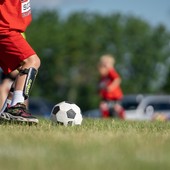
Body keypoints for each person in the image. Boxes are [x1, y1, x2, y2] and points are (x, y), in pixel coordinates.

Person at [0, 0, 41, 124]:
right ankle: (16, 106)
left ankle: (5, 111)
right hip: (5, 29)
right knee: (32, 61)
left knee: (21, 70)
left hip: (12, 29)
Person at [98, 54, 124, 119]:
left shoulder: (111, 72)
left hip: (115, 97)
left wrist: (111, 87)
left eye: (105, 64)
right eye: (103, 64)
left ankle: (123, 118)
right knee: (103, 107)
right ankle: (105, 119)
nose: (104, 66)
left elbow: (117, 79)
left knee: (117, 108)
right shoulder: (104, 76)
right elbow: (102, 86)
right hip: (107, 97)